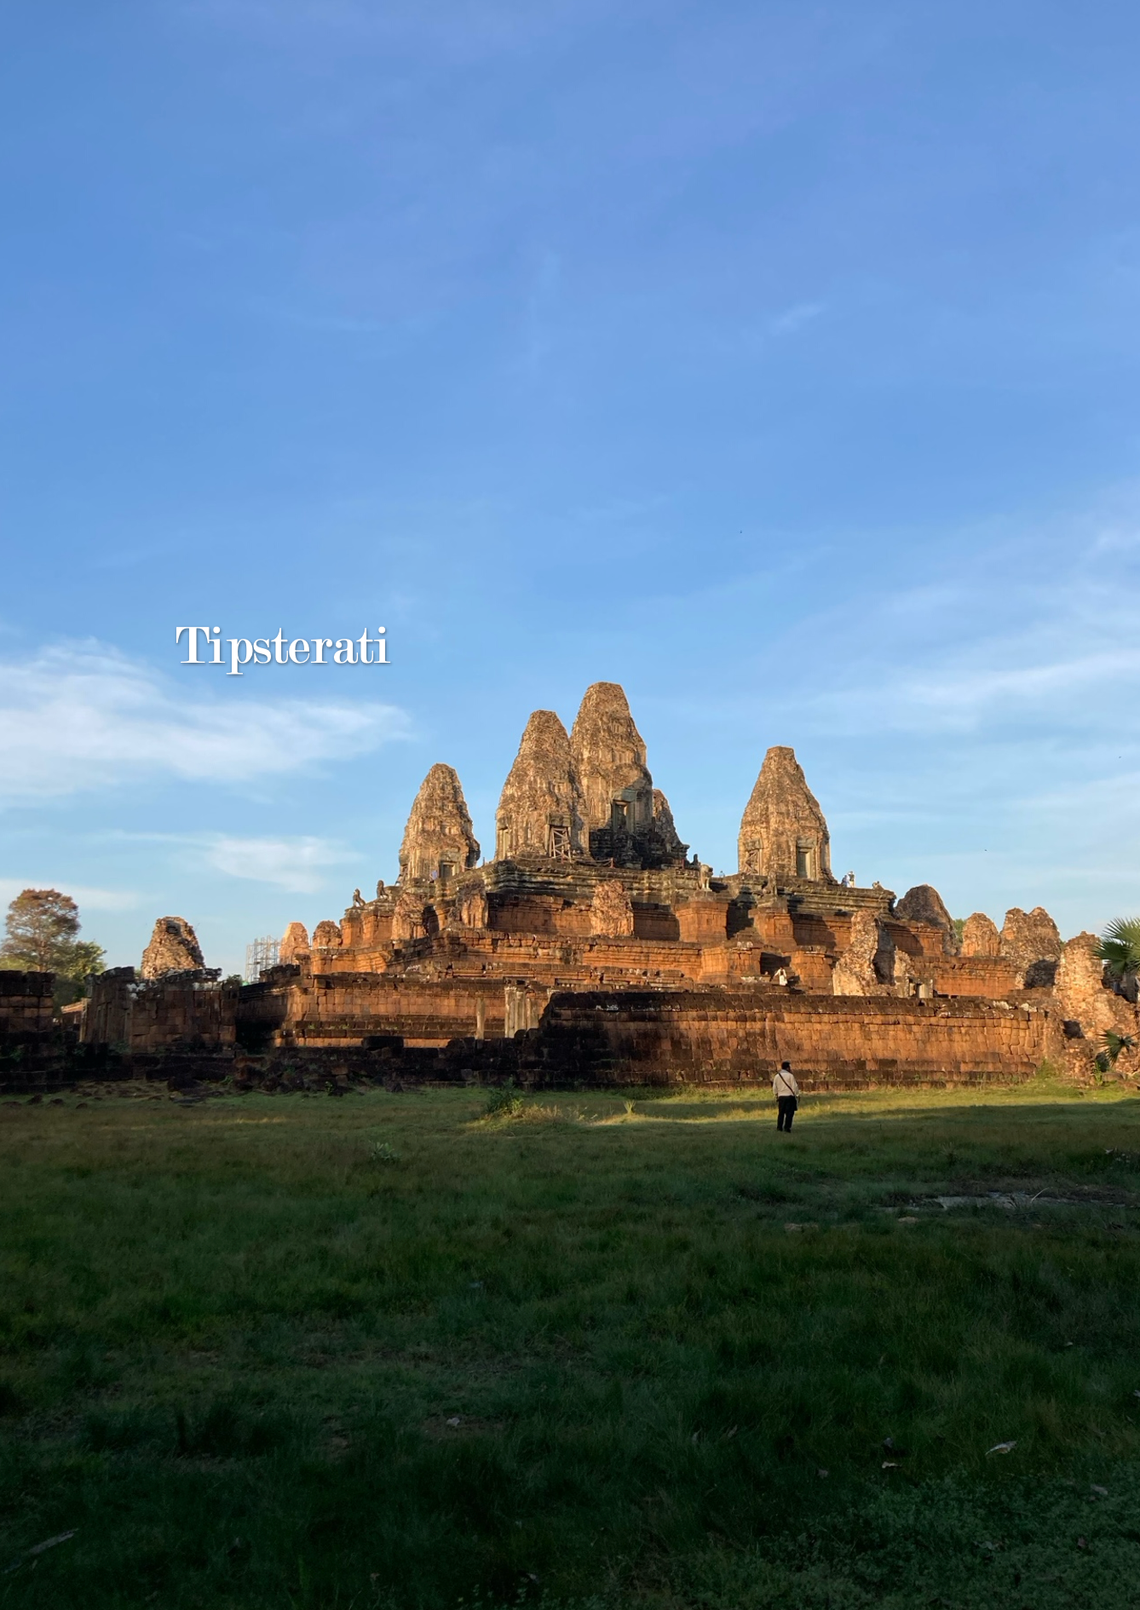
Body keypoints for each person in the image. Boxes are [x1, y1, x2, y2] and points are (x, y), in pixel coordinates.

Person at [772, 1061, 800, 1132]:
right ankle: (787, 1127)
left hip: (781, 1097)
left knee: (781, 1113)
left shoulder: (777, 1076)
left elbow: (775, 1088)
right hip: (789, 1096)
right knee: (789, 1113)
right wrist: (797, 1095)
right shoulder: (790, 1076)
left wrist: (776, 1095)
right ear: (787, 1068)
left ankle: (779, 1127)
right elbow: (794, 1086)